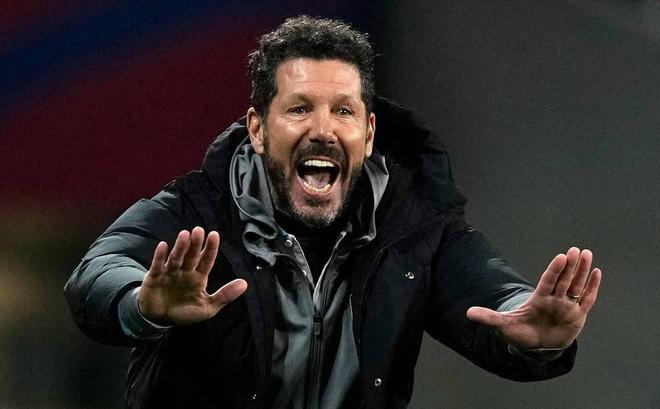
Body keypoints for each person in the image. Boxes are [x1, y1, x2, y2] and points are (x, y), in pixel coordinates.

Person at [64, 15, 602, 409]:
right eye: (299, 108)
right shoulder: (198, 210)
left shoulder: (416, 224)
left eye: (343, 111)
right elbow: (97, 272)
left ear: (368, 132)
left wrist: (535, 332)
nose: (323, 129)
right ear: (257, 129)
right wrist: (142, 304)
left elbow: (491, 294)